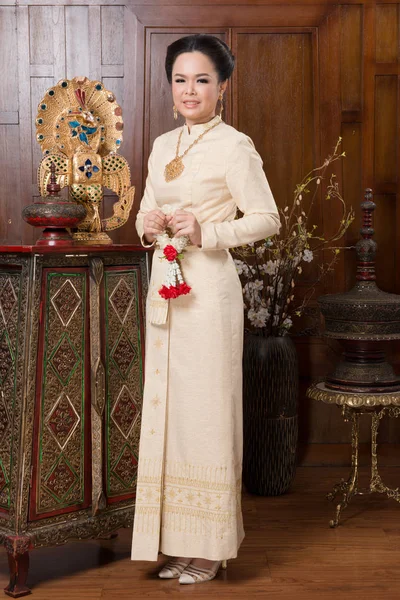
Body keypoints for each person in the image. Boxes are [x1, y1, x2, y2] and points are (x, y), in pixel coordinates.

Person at [131, 34, 280, 585]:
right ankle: (177, 542)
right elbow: (147, 209)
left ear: (222, 86)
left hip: (208, 294)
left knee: (208, 415)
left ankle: (211, 549)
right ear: (170, 86)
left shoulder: (234, 146)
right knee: (171, 416)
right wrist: (147, 225)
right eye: (180, 79)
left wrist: (208, 230)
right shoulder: (162, 146)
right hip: (164, 292)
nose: (189, 90)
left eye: (201, 80)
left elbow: (267, 218)